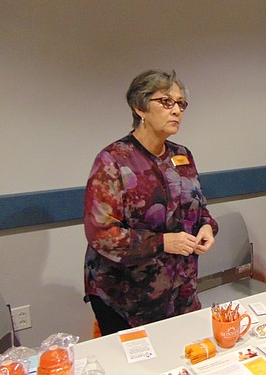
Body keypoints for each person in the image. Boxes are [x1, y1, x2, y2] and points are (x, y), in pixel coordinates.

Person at [83, 69, 218, 335]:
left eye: (181, 103)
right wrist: (163, 242)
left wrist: (207, 228)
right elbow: (101, 234)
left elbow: (198, 210)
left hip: (180, 290)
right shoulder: (113, 160)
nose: (176, 110)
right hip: (127, 297)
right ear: (140, 107)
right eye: (166, 102)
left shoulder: (182, 156)